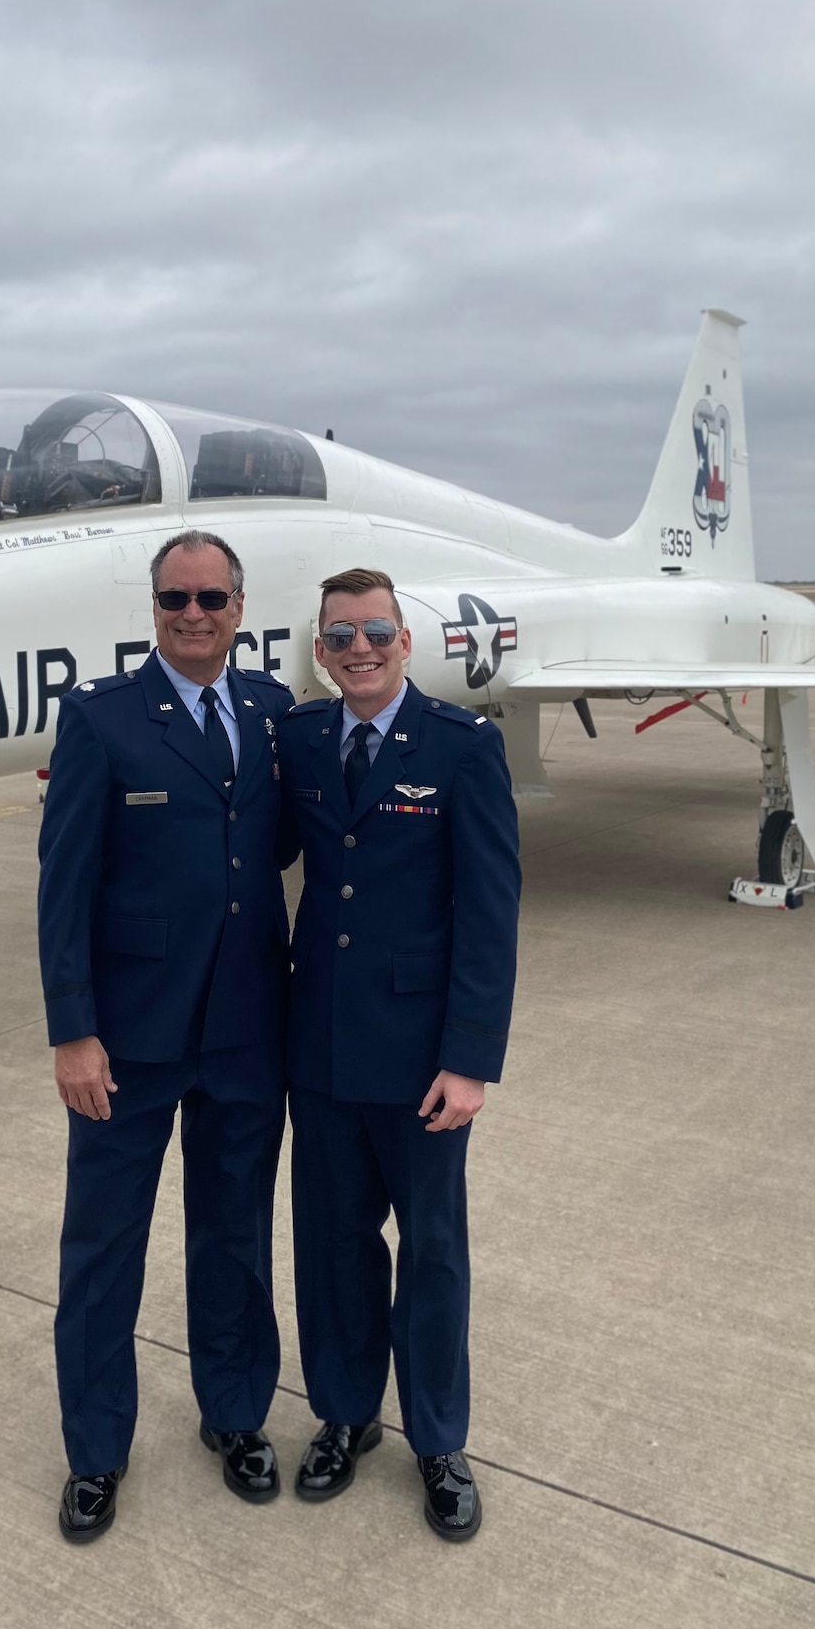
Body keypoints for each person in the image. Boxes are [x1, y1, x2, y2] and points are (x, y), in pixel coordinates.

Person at [37, 530, 295, 1542]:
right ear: (154, 608)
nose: (194, 614)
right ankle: (96, 1450)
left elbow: (281, 844)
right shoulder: (101, 719)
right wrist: (73, 1030)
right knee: (104, 1249)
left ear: (240, 604)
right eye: (175, 599)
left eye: (212, 598)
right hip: (129, 1039)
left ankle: (234, 1414)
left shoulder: (272, 711)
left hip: (243, 1027)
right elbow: (64, 887)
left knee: (235, 1235)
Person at [277, 566, 520, 1541]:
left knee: (431, 1252)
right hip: (323, 1045)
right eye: (341, 635)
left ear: (406, 641)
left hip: (423, 1059)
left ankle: (436, 1437)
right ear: (322, 648)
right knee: (333, 1247)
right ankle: (344, 1414)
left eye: (376, 631)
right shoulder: (299, 738)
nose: (360, 648)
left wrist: (470, 1058)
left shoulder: (462, 746)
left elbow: (489, 912)